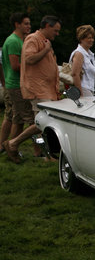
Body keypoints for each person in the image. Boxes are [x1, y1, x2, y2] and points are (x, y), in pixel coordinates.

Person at [3, 15, 61, 164]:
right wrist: (46, 49)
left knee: (41, 122)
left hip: (46, 89)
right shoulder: (33, 39)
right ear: (47, 26)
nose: (57, 34)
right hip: (37, 88)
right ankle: (13, 144)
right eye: (55, 30)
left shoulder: (43, 40)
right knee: (41, 122)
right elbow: (29, 59)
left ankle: (45, 154)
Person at [1, 13, 35, 161]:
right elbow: (15, 66)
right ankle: (11, 147)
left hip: (15, 84)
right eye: (26, 24)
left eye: (29, 23)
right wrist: (34, 68)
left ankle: (7, 147)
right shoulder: (14, 41)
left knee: (15, 118)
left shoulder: (20, 40)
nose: (29, 26)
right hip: (16, 85)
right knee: (26, 119)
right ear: (17, 24)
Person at [69, 25, 95, 97]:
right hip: (83, 89)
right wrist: (80, 94)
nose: (92, 40)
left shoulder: (90, 54)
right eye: (89, 38)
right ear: (81, 39)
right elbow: (75, 74)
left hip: (89, 89)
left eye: (92, 38)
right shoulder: (79, 53)